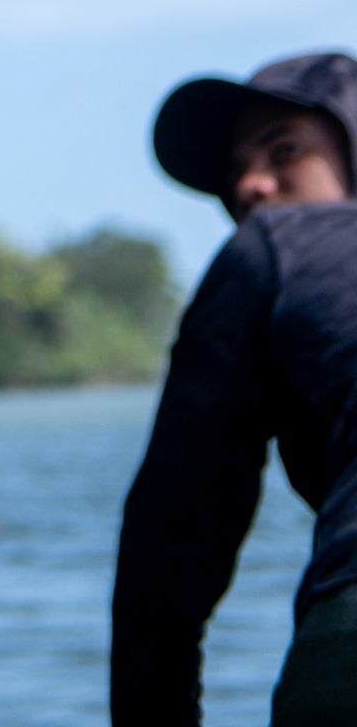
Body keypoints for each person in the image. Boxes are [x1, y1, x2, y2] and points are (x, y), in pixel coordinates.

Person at [113, 51, 357, 727]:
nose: (250, 186)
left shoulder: (280, 244)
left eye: (284, 150)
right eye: (232, 174)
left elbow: (169, 552)